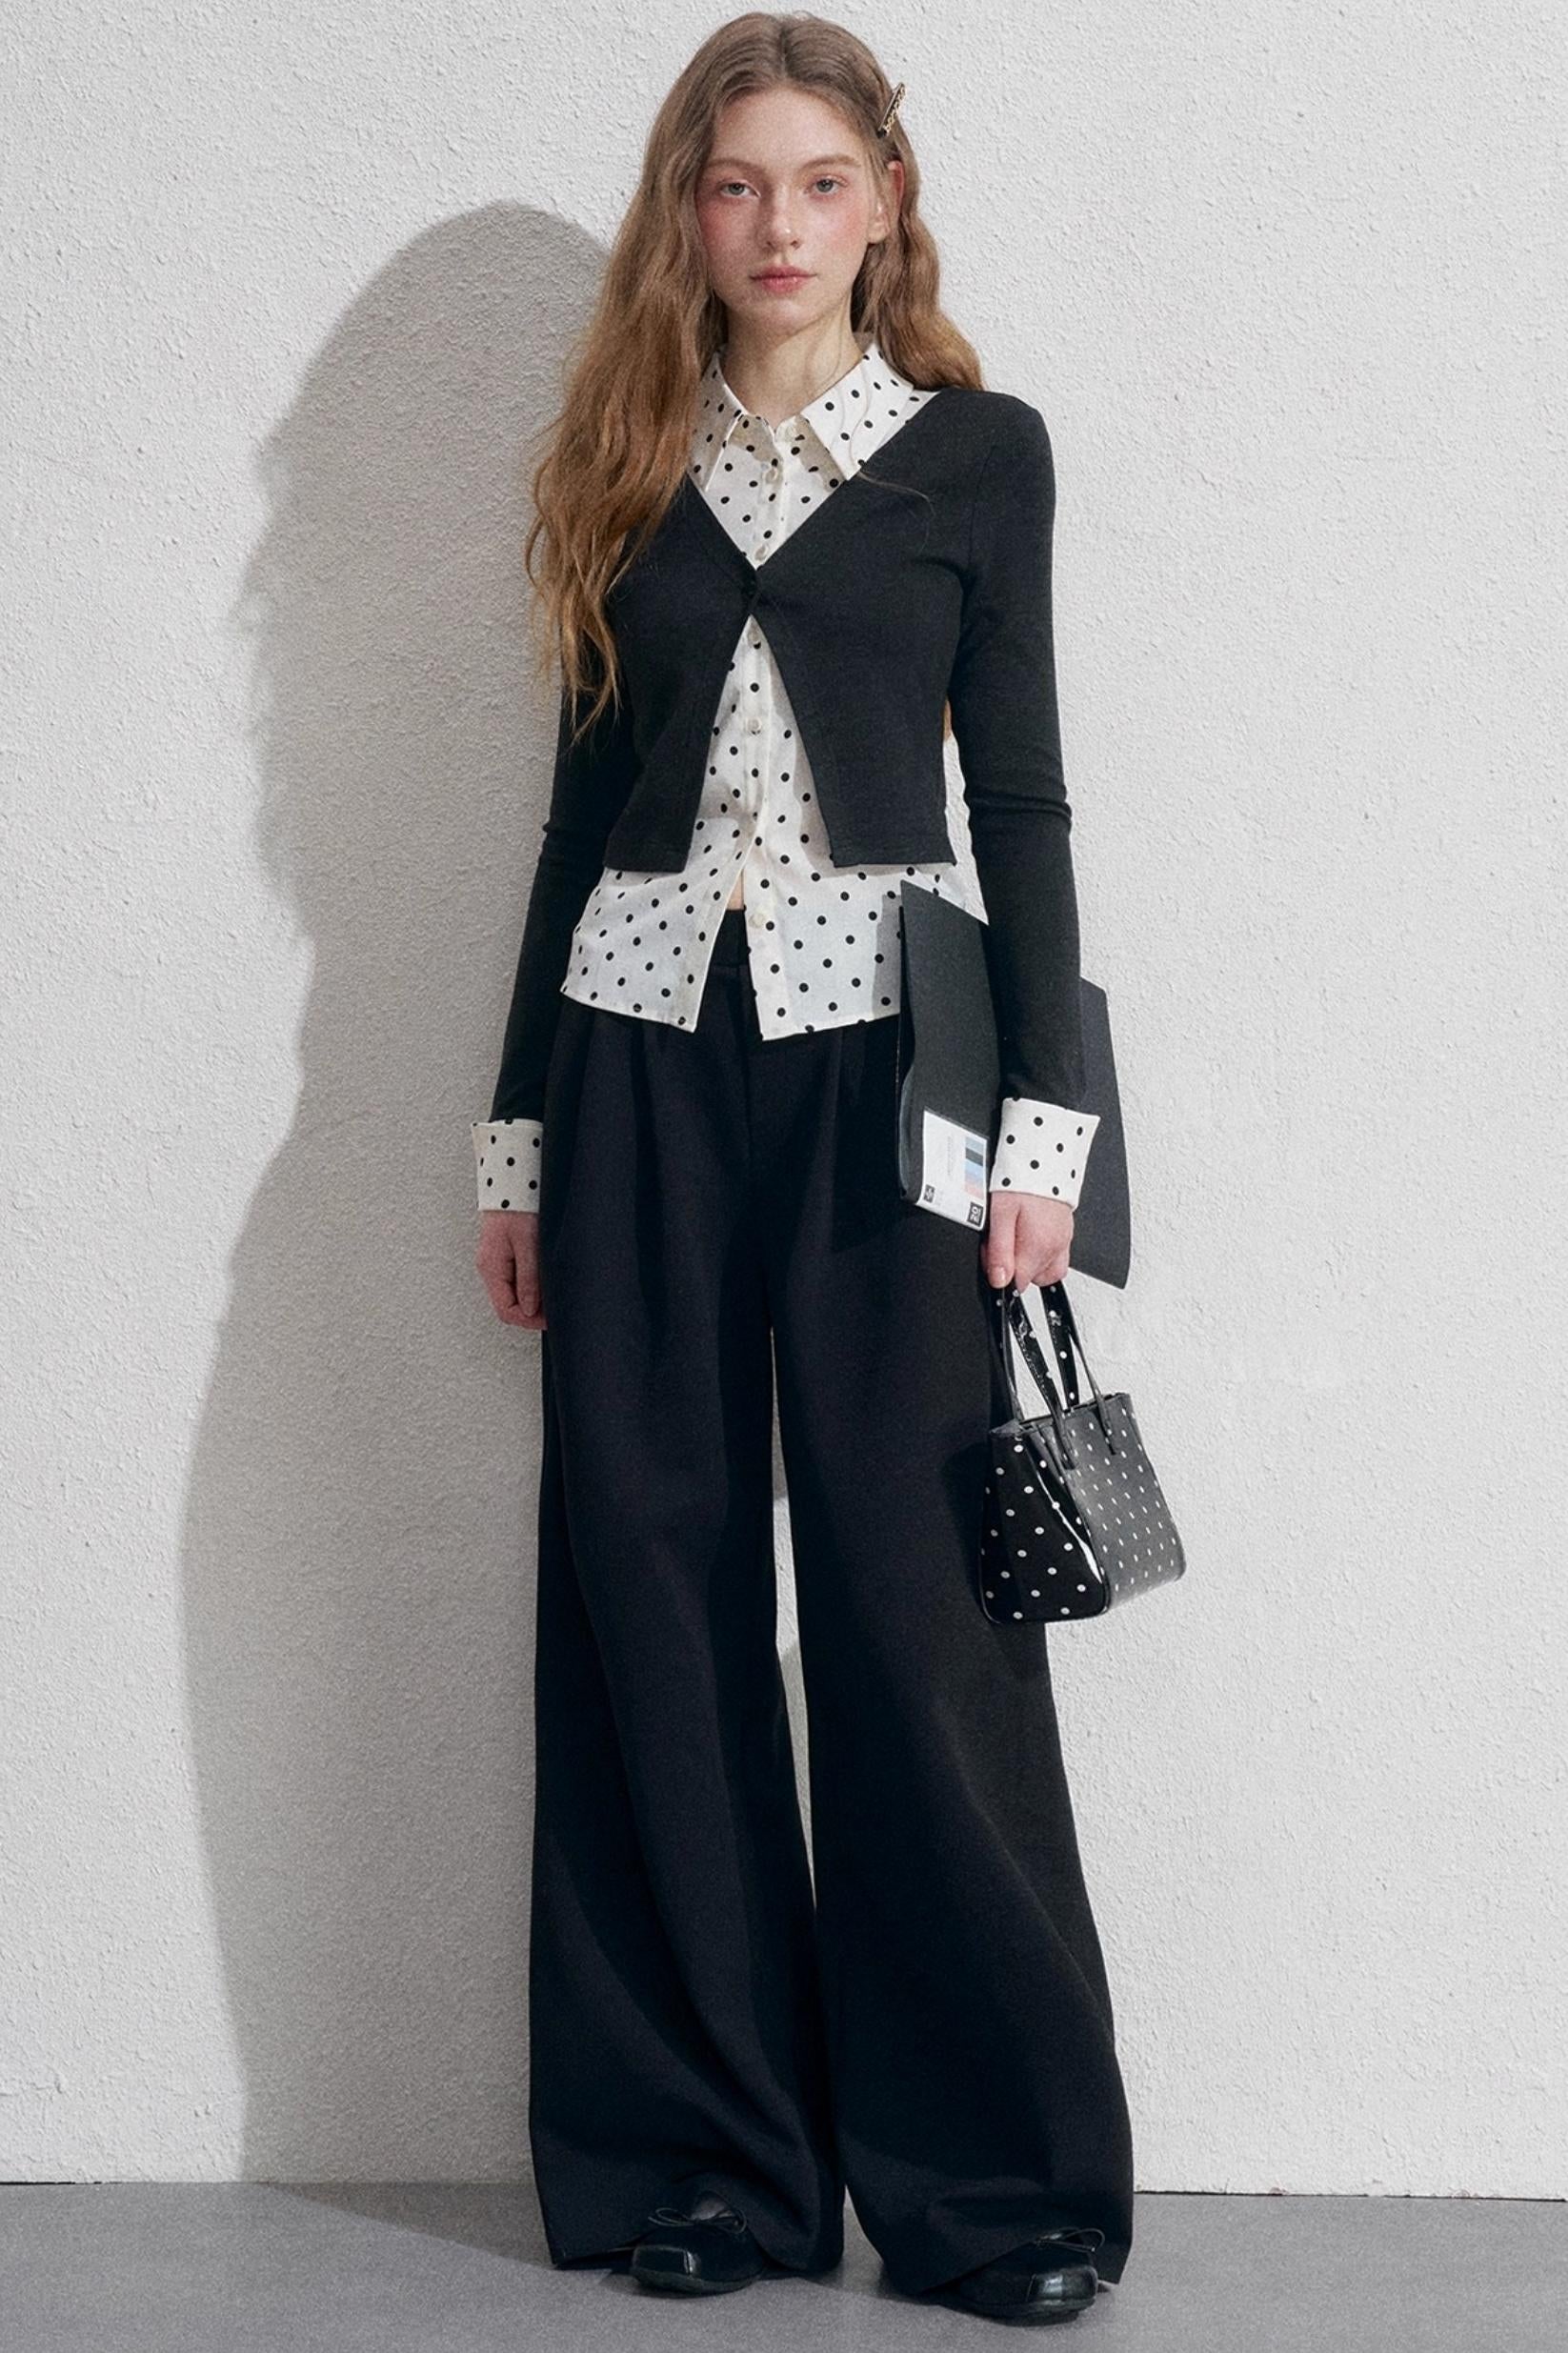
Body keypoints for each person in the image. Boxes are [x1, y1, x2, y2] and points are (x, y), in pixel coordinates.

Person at [472, 14, 1135, 2327]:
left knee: (912, 1608)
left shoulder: (974, 454)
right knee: (644, 1592)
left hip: (890, 1090)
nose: (776, 225)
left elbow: (1020, 798)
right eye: (735, 183)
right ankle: (703, 2155)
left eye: (818, 181)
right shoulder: (622, 459)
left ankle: (999, 2184)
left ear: (883, 202)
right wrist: (517, 1130)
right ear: (689, 208)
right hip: (639, 1071)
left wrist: (1046, 1128)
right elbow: (577, 818)